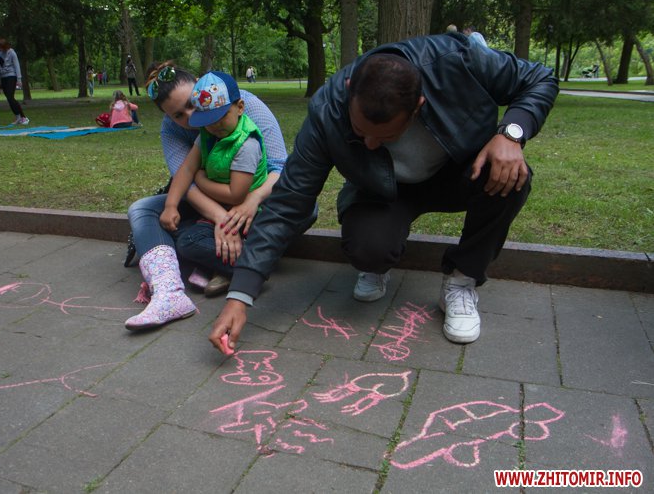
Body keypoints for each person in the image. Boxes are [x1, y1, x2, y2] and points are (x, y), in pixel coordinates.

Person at [209, 32, 558, 354]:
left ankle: (462, 281)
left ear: (418, 106)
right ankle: (376, 265)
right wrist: (240, 295)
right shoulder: (327, 110)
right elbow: (288, 203)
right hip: (382, 188)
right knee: (368, 249)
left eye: (387, 136)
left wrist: (512, 133)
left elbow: (540, 78)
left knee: (512, 177)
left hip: (458, 171)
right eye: (360, 131)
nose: (371, 144)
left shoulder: (459, 60)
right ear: (350, 90)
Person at [124, 62, 315, 331]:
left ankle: (234, 262)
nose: (191, 117)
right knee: (143, 209)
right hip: (211, 202)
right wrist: (223, 220)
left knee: (306, 205)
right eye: (178, 115)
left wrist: (251, 202)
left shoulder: (242, 106)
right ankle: (169, 293)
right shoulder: (185, 131)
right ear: (167, 117)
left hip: (254, 198)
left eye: (192, 104)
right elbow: (185, 181)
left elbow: (279, 168)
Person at [161, 71, 268, 300]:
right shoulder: (206, 135)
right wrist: (170, 205)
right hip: (220, 210)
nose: (215, 125)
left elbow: (236, 195)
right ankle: (229, 265)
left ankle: (250, 267)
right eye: (208, 120)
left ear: (240, 107)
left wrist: (200, 180)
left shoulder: (246, 144)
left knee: (189, 243)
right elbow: (186, 170)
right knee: (186, 240)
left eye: (221, 116)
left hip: (247, 215)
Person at [0, 38, 29, 125]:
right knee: (9, 99)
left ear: (5, 46)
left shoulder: (11, 53)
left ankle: (23, 117)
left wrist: (19, 79)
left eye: (1, 47)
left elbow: (17, 65)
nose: (0, 49)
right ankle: (18, 117)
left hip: (11, 76)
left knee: (10, 97)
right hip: (3, 77)